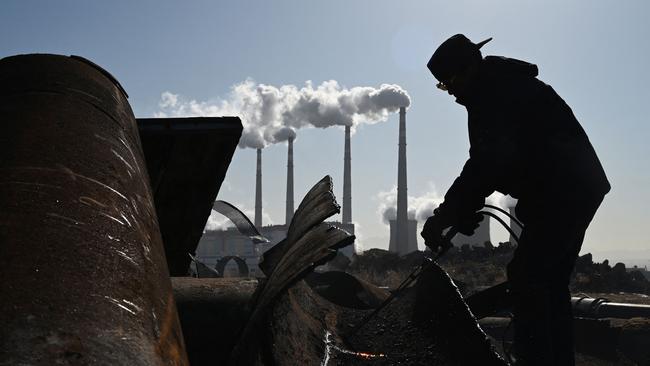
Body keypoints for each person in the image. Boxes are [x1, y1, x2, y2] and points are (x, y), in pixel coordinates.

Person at [421, 34, 610, 365]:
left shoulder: (494, 93)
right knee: (549, 282)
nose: (449, 92)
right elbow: (493, 162)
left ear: (466, 70)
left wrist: (446, 215)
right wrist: (461, 210)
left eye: (448, 82)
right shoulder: (498, 85)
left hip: (563, 191)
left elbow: (486, 162)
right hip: (572, 188)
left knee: (528, 276)